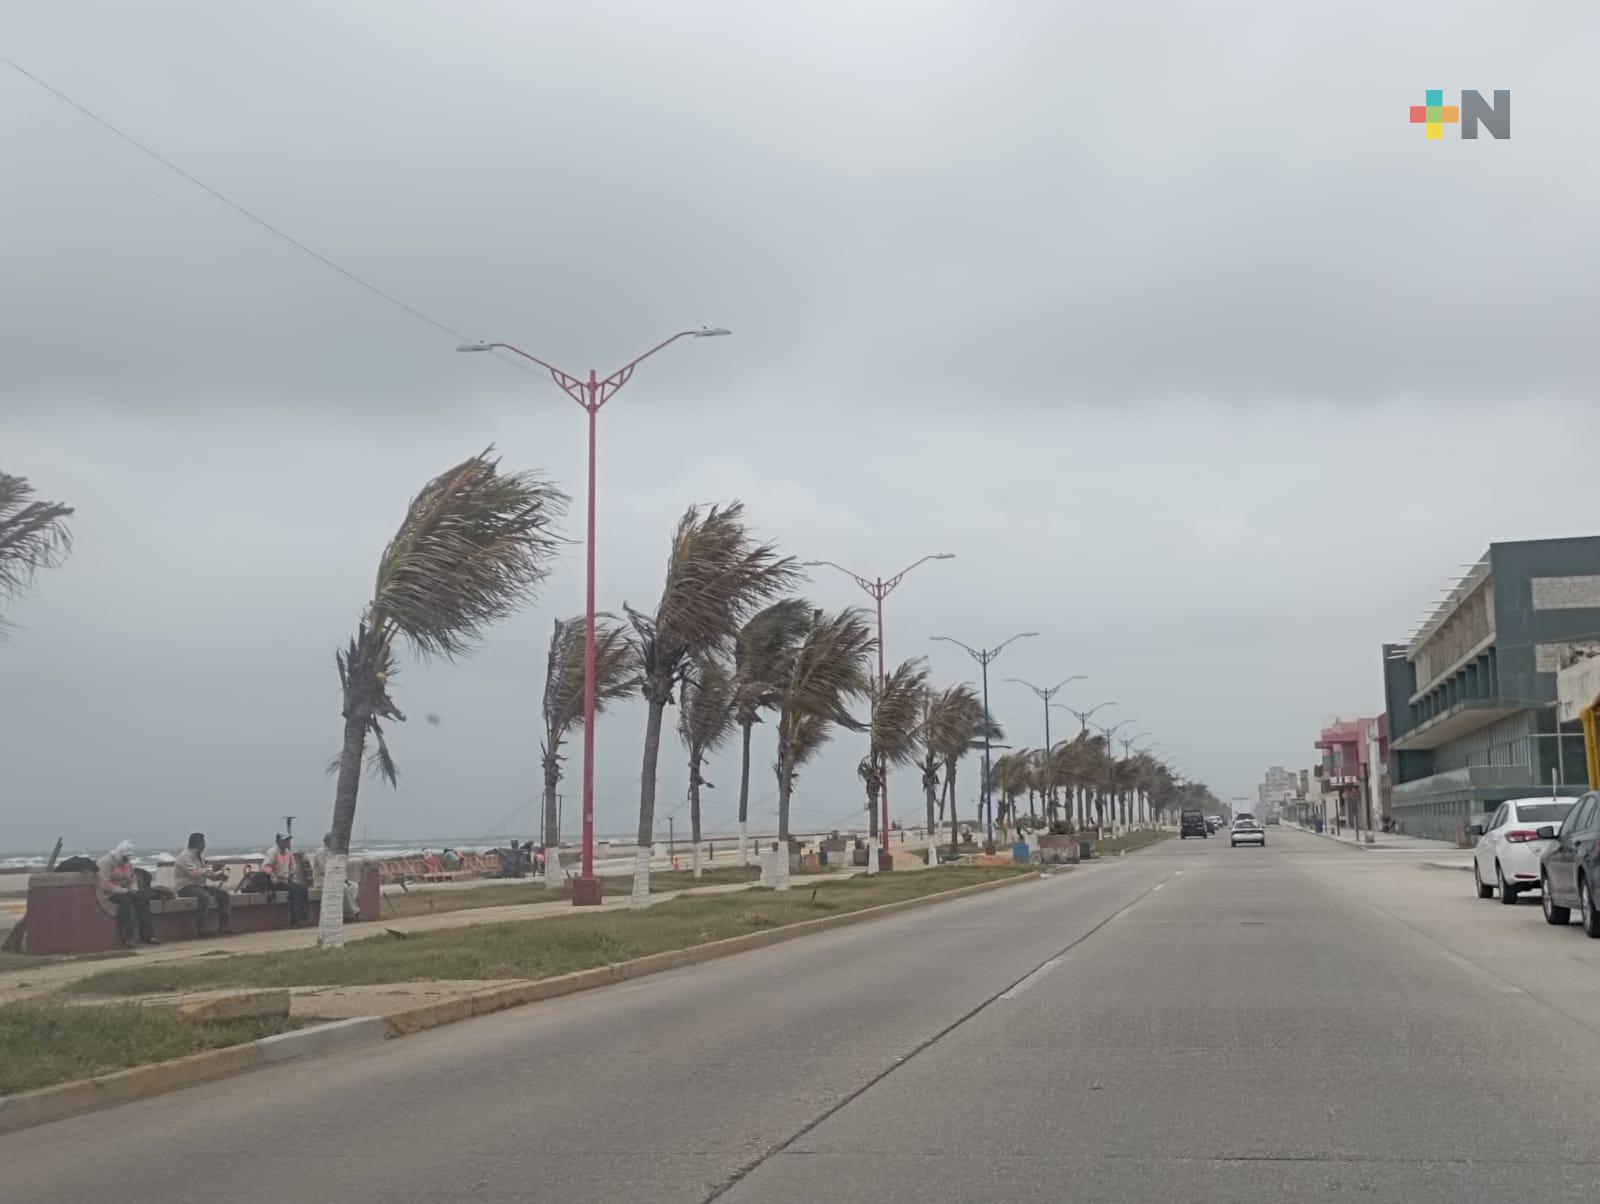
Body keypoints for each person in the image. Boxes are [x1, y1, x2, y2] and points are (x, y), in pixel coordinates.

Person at [97, 840, 158, 946]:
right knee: (127, 902)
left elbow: (132, 879)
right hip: (109, 893)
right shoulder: (106, 862)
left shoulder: (128, 864)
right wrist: (124, 891)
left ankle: (148, 935)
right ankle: (128, 938)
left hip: (124, 890)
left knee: (143, 900)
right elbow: (105, 884)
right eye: (125, 857)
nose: (126, 860)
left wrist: (133, 889)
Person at [173, 832, 234, 936]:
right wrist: (210, 869)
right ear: (199, 843)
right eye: (204, 842)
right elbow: (195, 873)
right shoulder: (185, 857)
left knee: (224, 895)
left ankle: (224, 926)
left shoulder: (200, 857)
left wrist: (218, 876)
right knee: (204, 897)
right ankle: (202, 928)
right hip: (186, 887)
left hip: (200, 886)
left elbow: (207, 874)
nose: (205, 845)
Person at [262, 834, 310, 928]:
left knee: (303, 889)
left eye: (288, 841)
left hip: (285, 880)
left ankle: (303, 918)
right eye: (285, 841)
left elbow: (292, 867)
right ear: (278, 841)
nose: (287, 843)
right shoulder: (273, 852)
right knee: (295, 890)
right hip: (275, 881)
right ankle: (295, 920)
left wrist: (291, 873)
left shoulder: (288, 852)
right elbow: (265, 866)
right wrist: (272, 874)